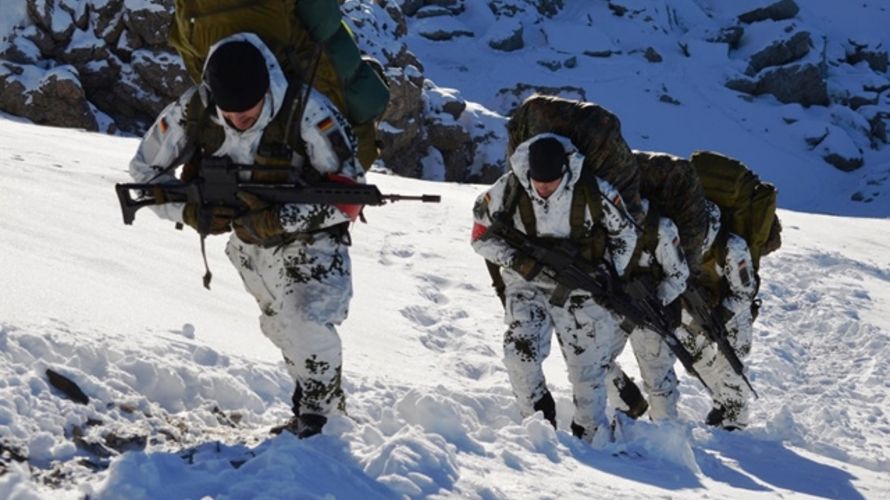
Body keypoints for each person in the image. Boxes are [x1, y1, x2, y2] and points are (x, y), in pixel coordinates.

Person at [128, 33, 364, 438]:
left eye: (250, 110)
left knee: (306, 322)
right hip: (248, 246)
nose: (240, 120)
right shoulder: (194, 109)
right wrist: (189, 211)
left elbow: (350, 196)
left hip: (313, 239)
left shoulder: (306, 109)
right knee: (281, 328)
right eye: (230, 111)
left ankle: (322, 424)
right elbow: (143, 178)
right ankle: (310, 410)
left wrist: (279, 219)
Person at [471, 133, 637, 444]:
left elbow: (625, 236)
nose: (543, 188)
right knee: (519, 356)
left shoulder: (594, 192)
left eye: (551, 182)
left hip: (582, 288)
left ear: (565, 172)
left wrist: (612, 276)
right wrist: (517, 261)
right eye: (538, 181)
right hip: (527, 285)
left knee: (588, 373)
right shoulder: (509, 188)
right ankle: (538, 424)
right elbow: (480, 236)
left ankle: (591, 439)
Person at [676, 200, 761, 430]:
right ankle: (721, 400)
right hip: (697, 309)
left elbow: (744, 292)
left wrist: (720, 318)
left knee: (730, 362)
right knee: (692, 355)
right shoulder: (684, 243)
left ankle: (735, 416)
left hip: (733, 313)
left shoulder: (733, 248)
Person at [606, 198, 690, 422]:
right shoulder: (605, 215)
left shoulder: (661, 229)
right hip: (617, 307)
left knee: (658, 380)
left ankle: (666, 435)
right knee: (595, 361)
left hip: (651, 311)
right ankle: (630, 404)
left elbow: (680, 276)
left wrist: (655, 301)